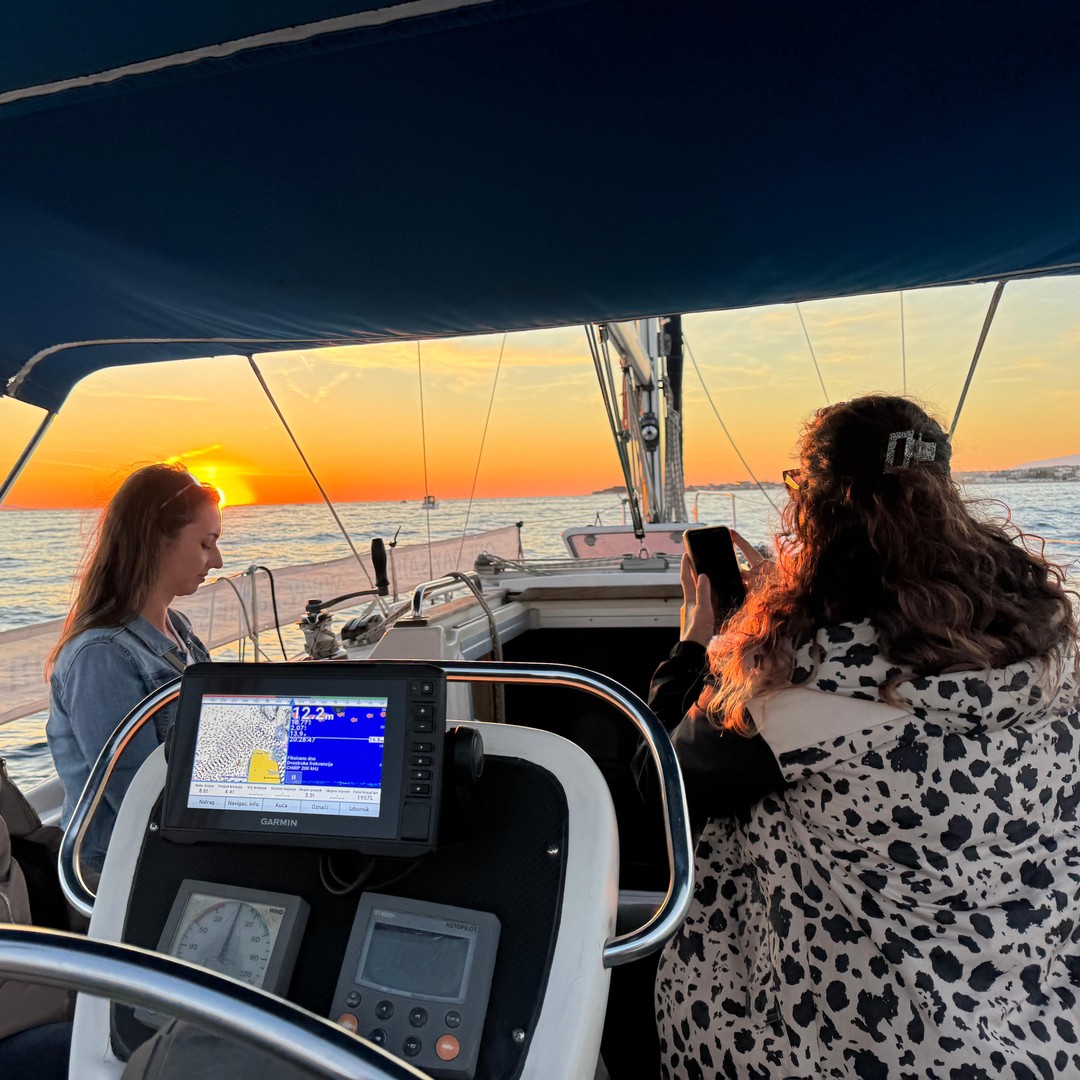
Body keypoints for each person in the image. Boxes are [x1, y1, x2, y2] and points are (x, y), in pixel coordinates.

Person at [649, 395, 1080, 1079]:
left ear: (816, 507)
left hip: (866, 1045)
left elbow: (665, 779)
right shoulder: (1045, 645)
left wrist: (700, 644)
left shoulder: (803, 686)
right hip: (1038, 1018)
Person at [46, 464, 222, 874]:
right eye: (206, 543)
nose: (216, 560)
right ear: (157, 540)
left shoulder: (177, 628)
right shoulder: (101, 656)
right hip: (121, 871)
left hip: (181, 841)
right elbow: (139, 802)